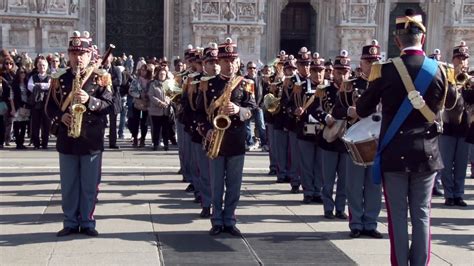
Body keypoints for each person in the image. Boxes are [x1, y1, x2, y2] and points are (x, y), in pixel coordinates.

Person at [356, 10, 457, 265]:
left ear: (397, 40)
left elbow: (362, 109)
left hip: (394, 153)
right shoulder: (441, 70)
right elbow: (453, 102)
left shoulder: (384, 70)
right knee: (422, 214)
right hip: (427, 153)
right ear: (422, 39)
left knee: (397, 216)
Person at [45, 31, 113, 237]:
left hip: (91, 139)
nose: (77, 57)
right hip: (67, 138)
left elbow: (111, 105)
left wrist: (90, 101)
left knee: (89, 185)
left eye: (82, 53)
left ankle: (87, 221)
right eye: (74, 53)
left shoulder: (101, 77)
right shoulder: (60, 78)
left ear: (89, 54)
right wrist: (60, 117)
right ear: (68, 54)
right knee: (69, 185)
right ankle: (70, 222)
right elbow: (49, 107)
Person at [200, 38, 256, 236]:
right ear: (219, 63)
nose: (229, 64)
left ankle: (230, 219)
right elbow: (200, 112)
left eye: (233, 61)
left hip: (236, 139)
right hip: (216, 139)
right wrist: (206, 129)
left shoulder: (246, 84)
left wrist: (238, 109)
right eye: (225, 61)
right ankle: (216, 220)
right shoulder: (208, 85)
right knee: (216, 184)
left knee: (234, 184)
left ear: (237, 62)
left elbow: (252, 109)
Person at [333, 41, 382, 237]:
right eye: (368, 61)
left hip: (378, 140)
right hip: (357, 141)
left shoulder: (385, 84)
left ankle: (370, 222)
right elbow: (336, 110)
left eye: (375, 61)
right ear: (361, 63)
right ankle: (356, 223)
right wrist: (349, 111)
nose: (371, 65)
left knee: (374, 184)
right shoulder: (350, 85)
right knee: (353, 185)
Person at [439, 41, 470, 207]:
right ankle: (449, 194)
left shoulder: (471, 78)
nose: (462, 62)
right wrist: (454, 83)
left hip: (464, 128)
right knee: (446, 163)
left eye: (464, 59)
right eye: (459, 58)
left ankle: (459, 193)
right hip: (448, 127)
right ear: (453, 60)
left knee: (461, 164)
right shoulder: (446, 78)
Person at [28, 55, 51, 149]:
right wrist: (43, 86)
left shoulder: (50, 77)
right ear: (37, 66)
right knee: (35, 124)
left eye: (44, 65)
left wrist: (38, 85)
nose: (42, 67)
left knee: (46, 124)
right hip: (36, 104)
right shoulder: (33, 77)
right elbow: (30, 87)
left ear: (47, 67)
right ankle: (36, 143)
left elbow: (50, 86)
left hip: (46, 104)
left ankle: (44, 143)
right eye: (40, 65)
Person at [244, 61, 266, 150]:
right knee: (247, 126)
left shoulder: (261, 79)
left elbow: (265, 93)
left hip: (258, 106)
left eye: (253, 68)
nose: (252, 70)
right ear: (247, 69)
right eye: (250, 68)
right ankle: (250, 143)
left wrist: (261, 105)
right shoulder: (244, 79)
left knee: (261, 125)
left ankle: (264, 143)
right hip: (247, 107)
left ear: (256, 69)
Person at [148, 67, 171, 151]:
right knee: (156, 128)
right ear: (157, 75)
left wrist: (167, 102)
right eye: (161, 74)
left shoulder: (168, 84)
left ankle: (166, 144)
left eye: (164, 74)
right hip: (156, 110)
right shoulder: (153, 84)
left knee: (165, 128)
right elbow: (151, 95)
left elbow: (170, 94)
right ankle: (155, 144)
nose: (162, 76)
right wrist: (159, 103)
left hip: (165, 110)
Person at [10, 66, 31, 149]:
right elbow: (11, 97)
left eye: (24, 72)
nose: (23, 74)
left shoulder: (27, 83)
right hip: (17, 106)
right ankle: (17, 143)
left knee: (23, 125)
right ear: (18, 74)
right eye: (21, 72)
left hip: (26, 106)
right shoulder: (14, 84)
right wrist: (13, 108)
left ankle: (21, 142)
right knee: (17, 125)